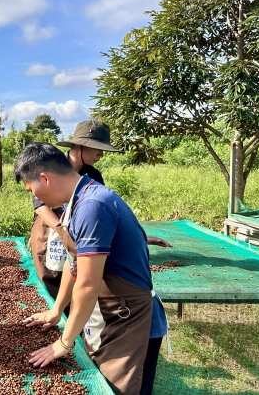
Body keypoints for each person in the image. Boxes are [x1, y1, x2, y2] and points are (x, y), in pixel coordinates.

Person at [15, 142, 167, 395]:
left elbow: (87, 283)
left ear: (45, 178)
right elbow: (74, 262)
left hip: (131, 320)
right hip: (113, 313)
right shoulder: (79, 200)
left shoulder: (92, 206)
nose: (35, 198)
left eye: (32, 189)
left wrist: (64, 343)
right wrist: (55, 311)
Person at [30, 119, 170, 299]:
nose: (101, 154)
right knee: (50, 278)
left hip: (79, 234)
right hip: (50, 232)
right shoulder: (51, 167)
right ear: (80, 146)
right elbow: (40, 206)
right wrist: (63, 231)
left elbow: (99, 212)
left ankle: (74, 320)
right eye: (98, 148)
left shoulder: (93, 175)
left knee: (78, 279)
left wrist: (140, 237)